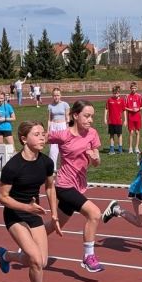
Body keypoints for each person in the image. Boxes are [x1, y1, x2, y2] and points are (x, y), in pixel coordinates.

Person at [0, 121, 58, 282]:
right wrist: (26, 208)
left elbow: (49, 187)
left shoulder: (46, 162)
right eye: (37, 134)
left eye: (43, 134)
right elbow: (2, 197)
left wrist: (54, 214)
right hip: (15, 213)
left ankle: (7, 256)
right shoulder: (13, 166)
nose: (42, 137)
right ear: (24, 139)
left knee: (42, 262)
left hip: (33, 212)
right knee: (36, 260)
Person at [43, 100, 105, 273]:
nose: (90, 120)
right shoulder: (64, 135)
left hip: (79, 186)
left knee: (56, 225)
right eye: (86, 116)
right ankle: (88, 257)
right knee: (94, 213)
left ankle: (29, 240)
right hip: (64, 185)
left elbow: (97, 162)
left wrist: (95, 158)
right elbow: (42, 138)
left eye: (92, 116)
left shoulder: (92, 134)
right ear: (75, 116)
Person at [45, 87, 70, 165]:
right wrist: (48, 131)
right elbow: (49, 119)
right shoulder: (50, 106)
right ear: (52, 96)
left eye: (58, 95)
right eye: (54, 95)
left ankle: (65, 166)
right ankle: (53, 168)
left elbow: (67, 117)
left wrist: (68, 128)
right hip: (53, 126)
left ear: (60, 95)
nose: (56, 97)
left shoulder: (65, 104)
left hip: (63, 126)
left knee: (64, 147)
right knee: (53, 149)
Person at [104, 85, 126, 154]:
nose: (116, 94)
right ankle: (112, 149)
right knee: (111, 135)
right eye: (114, 93)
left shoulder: (122, 100)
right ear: (112, 92)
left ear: (119, 93)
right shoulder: (109, 100)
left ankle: (120, 149)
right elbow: (106, 109)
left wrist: (125, 120)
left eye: (117, 93)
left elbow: (124, 110)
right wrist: (105, 118)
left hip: (119, 121)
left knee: (119, 135)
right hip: (111, 121)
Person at [125, 81, 142, 155]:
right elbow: (124, 107)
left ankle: (136, 147)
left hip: (137, 116)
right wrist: (131, 110)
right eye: (132, 88)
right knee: (131, 133)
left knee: (137, 132)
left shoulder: (139, 96)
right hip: (130, 116)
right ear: (130, 88)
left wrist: (138, 109)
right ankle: (130, 148)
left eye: (135, 88)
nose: (133, 89)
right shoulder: (127, 96)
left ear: (137, 88)